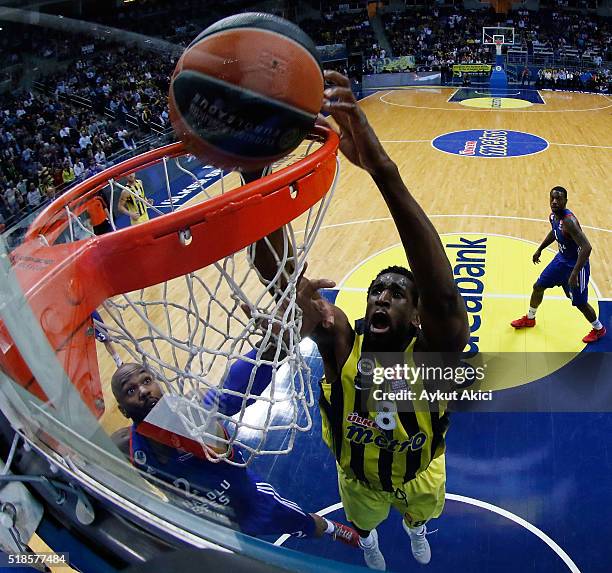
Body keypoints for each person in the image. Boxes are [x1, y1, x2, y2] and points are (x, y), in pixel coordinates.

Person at [260, 71, 469, 570]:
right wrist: (255, 182)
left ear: (416, 317)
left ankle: (416, 527)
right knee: (368, 522)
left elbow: (442, 296)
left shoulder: (433, 357)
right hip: (358, 478)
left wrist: (382, 169)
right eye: (377, 291)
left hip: (420, 472)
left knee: (417, 516)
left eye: (397, 294)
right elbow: (283, 284)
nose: (381, 298)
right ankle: (371, 540)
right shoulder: (340, 342)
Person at [109, 357, 358, 545]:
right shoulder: (124, 445)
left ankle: (331, 529)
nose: (143, 391)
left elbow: (232, 389)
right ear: (122, 410)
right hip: (207, 523)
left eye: (146, 380)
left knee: (308, 525)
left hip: (251, 503)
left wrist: (270, 346)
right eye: (130, 390)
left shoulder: (194, 412)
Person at [510, 186, 606, 343]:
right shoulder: (553, 216)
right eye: (552, 198)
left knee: (580, 303)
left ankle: (599, 329)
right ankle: (530, 318)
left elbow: (587, 247)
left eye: (558, 199)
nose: (554, 202)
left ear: (565, 201)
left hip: (576, 266)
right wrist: (540, 248)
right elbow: (554, 232)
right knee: (538, 286)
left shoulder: (569, 222)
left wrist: (574, 274)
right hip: (560, 261)